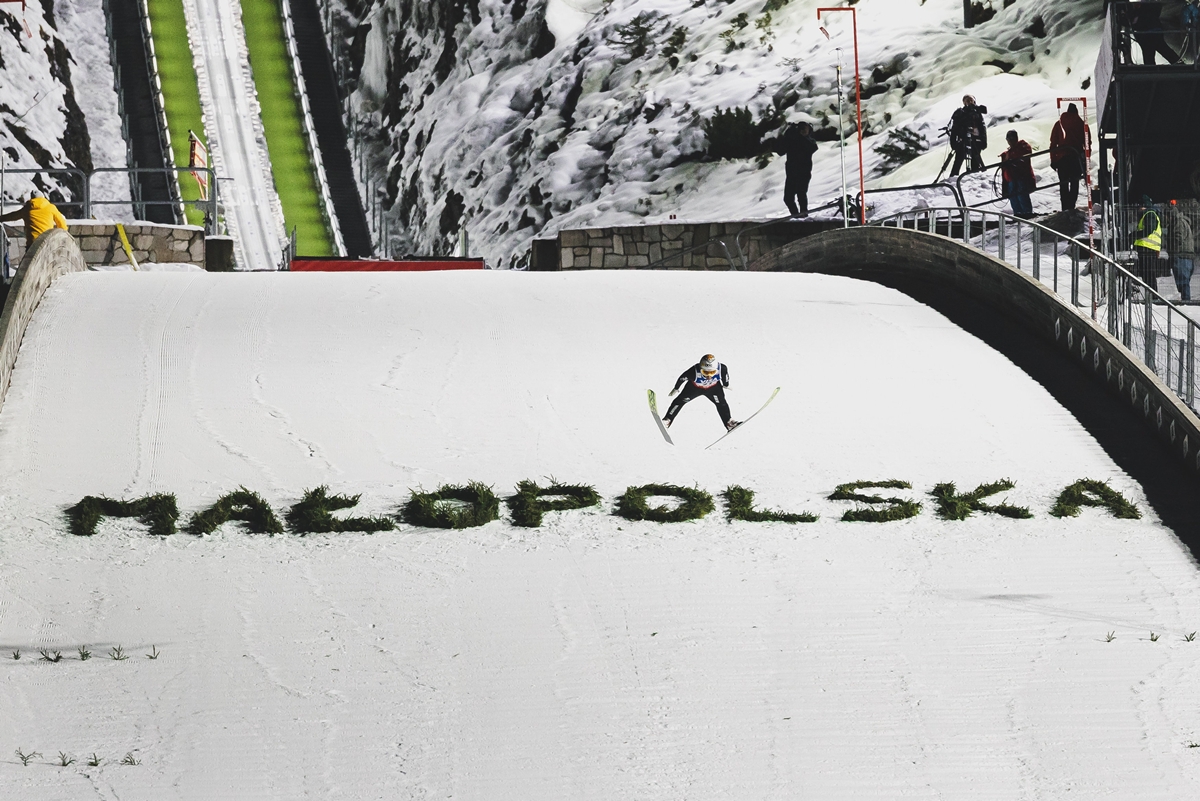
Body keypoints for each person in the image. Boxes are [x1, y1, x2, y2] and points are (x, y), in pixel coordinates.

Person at [662, 354, 739, 431]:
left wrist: (726, 385)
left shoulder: (722, 368)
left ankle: (729, 423)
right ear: (700, 368)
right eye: (705, 372)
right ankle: (667, 420)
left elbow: (725, 377)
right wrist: (676, 388)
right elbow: (682, 378)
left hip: (713, 388)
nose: (709, 376)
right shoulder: (693, 371)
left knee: (721, 403)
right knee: (680, 401)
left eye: (712, 372)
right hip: (694, 388)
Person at [767, 122, 819, 217]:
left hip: (803, 172)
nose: (803, 131)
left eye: (805, 129)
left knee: (801, 195)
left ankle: (803, 216)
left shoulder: (809, 141)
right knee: (788, 198)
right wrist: (787, 137)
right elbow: (780, 150)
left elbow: (812, 147)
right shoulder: (792, 140)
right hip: (792, 173)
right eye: (801, 129)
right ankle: (797, 216)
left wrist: (798, 137)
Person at [1049, 103, 1088, 211]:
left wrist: (1053, 159)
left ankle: (1064, 207)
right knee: (1074, 182)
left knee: (1063, 183)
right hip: (1076, 157)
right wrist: (1085, 161)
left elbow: (1053, 143)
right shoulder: (1081, 124)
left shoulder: (1059, 124)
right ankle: (1071, 206)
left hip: (1062, 158)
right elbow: (1087, 143)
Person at [0, 190, 69, 249]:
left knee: (30, 263)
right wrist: (62, 238)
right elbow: (61, 223)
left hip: (32, 243)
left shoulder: (27, 209)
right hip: (47, 241)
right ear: (43, 197)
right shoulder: (51, 207)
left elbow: (13, 216)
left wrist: (1, 218)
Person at [1129, 1, 1181, 65]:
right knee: (1163, 50)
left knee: (1149, 53)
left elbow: (1134, 21)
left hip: (1147, 33)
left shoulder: (1141, 9)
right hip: (1154, 30)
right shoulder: (1152, 6)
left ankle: (1150, 69)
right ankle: (1179, 63)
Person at [948, 95, 987, 176]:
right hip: (962, 141)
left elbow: (982, 128)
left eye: (970, 100)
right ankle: (953, 179)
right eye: (966, 100)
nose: (969, 102)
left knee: (975, 163)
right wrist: (953, 143)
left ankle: (974, 179)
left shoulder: (977, 113)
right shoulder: (961, 113)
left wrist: (983, 141)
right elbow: (954, 129)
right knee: (958, 161)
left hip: (976, 141)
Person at [999, 130, 1036, 218]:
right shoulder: (1007, 153)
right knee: (1014, 198)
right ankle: (1018, 215)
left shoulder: (1023, 147)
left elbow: (1024, 158)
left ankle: (1027, 214)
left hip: (1021, 177)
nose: (1010, 141)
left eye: (1012, 138)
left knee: (1021, 196)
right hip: (1011, 179)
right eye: (1009, 139)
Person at [1167, 199, 1194, 301]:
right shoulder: (1182, 222)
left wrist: (1171, 249)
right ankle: (1185, 299)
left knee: (1183, 280)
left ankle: (1186, 301)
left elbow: (1178, 238)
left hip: (1181, 254)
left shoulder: (1178, 223)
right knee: (1184, 280)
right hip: (1186, 254)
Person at [1133, 196, 1164, 287]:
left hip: (1148, 249)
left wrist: (1135, 235)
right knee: (1147, 275)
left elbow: (1149, 230)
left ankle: (1153, 298)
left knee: (1149, 275)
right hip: (1147, 249)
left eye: (1139, 206)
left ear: (1143, 205)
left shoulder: (1149, 214)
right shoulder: (1148, 214)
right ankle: (1151, 297)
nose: (1138, 209)